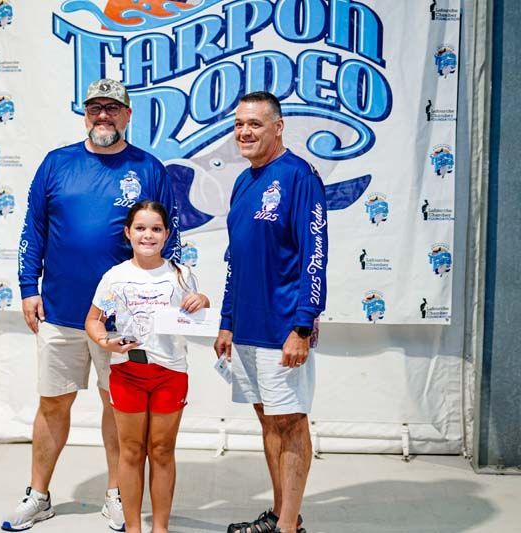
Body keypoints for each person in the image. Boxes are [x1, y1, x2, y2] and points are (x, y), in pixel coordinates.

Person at [2, 79, 180, 532]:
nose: (104, 116)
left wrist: (163, 298)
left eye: (113, 108)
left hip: (122, 320)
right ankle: (38, 495)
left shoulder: (149, 168)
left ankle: (117, 495)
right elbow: (33, 229)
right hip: (60, 310)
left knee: (116, 406)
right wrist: (27, 285)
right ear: (85, 113)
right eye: (95, 108)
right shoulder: (57, 164)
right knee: (52, 403)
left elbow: (167, 238)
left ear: (127, 115)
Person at [214, 91, 328, 533]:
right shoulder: (244, 181)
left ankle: (287, 528)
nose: (244, 132)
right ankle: (284, 515)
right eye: (239, 123)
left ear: (278, 127)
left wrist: (302, 325)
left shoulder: (299, 177)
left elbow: (314, 253)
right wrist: (226, 319)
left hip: (283, 326)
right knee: (267, 419)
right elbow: (235, 257)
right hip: (246, 326)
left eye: (255, 124)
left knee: (291, 420)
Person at [85, 200, 209, 533]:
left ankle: (160, 528)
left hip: (170, 375)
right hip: (127, 374)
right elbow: (94, 320)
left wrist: (204, 300)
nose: (148, 235)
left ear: (167, 235)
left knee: (162, 450)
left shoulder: (180, 275)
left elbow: (196, 312)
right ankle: (133, 527)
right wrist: (106, 341)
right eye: (140, 228)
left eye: (156, 228)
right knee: (131, 450)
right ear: (128, 233)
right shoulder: (116, 278)